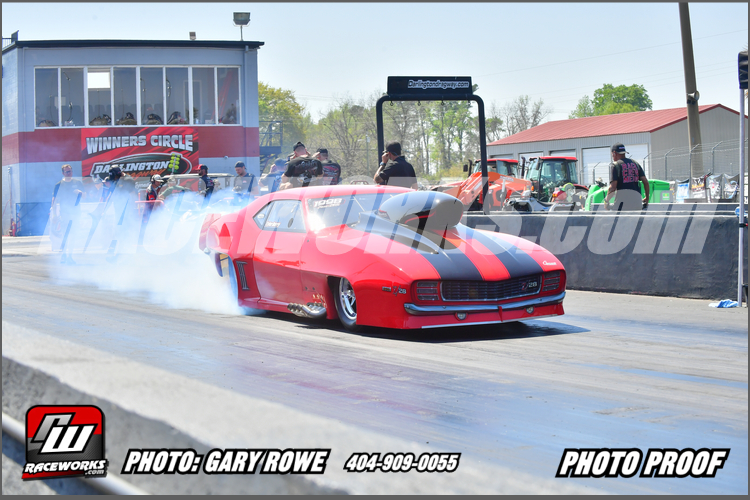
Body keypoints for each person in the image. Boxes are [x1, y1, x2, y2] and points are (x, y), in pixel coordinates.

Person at [50, 164, 85, 263]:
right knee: (65, 234)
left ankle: (70, 256)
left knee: (73, 234)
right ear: (63, 173)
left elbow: (85, 196)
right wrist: (54, 215)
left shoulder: (78, 183)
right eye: (67, 172)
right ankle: (64, 254)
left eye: (70, 171)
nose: (69, 173)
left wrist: (80, 192)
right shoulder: (59, 185)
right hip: (65, 213)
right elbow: (54, 201)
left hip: (76, 213)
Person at [604, 143, 649, 212]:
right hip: (637, 205)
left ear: (614, 153)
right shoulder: (635, 163)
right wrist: (647, 198)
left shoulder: (615, 165)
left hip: (622, 206)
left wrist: (606, 202)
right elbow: (645, 182)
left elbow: (612, 188)